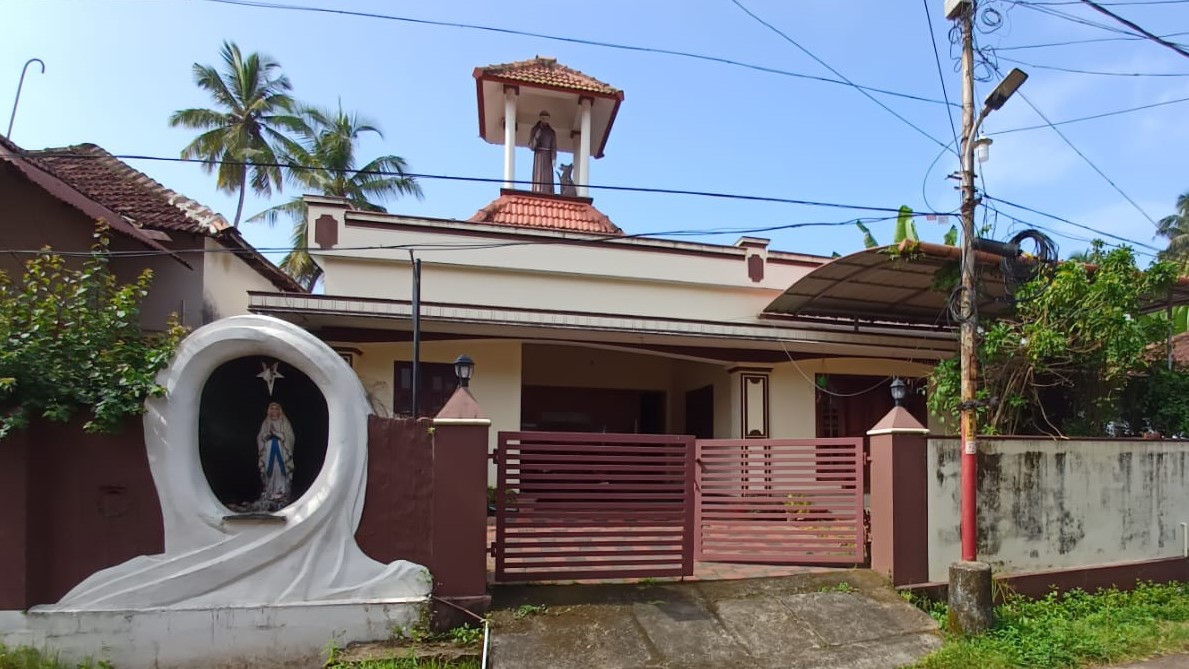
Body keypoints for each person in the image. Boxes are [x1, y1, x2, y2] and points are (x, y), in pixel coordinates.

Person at [257, 401, 296, 509]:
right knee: (270, 470)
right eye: (272, 409)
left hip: (281, 452)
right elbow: (260, 438)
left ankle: (281, 491)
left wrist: (279, 435)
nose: (274, 411)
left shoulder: (284, 422)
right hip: (269, 452)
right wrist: (268, 435)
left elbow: (290, 437)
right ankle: (269, 491)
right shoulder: (266, 423)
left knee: (279, 470)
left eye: (276, 409)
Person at [528, 111, 557, 194]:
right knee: (538, 176)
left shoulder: (552, 132)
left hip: (548, 157)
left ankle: (548, 191)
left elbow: (554, 147)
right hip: (539, 156)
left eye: (547, 118)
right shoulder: (534, 129)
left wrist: (554, 158)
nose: (545, 120)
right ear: (540, 118)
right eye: (543, 118)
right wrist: (536, 137)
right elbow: (531, 146)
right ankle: (537, 189)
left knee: (547, 177)